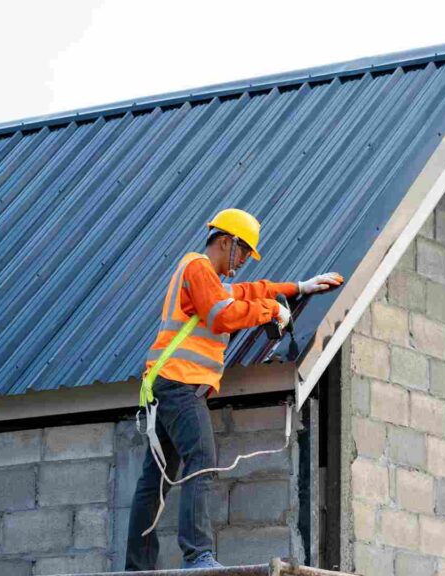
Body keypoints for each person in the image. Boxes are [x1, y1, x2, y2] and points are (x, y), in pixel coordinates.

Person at [125, 208, 343, 571]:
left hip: (169, 385)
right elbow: (223, 315)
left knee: (154, 480)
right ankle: (198, 555)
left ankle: (137, 566)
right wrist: (271, 311)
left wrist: (298, 288)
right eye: (242, 252)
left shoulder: (207, 278)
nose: (243, 261)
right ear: (225, 241)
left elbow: (249, 290)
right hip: (180, 384)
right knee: (201, 461)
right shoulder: (196, 267)